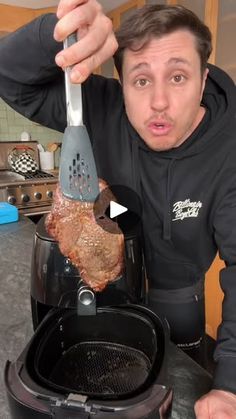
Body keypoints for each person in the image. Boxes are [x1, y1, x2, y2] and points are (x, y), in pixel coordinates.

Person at [0, 0, 236, 417]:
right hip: (112, 289)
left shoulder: (230, 150)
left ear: (202, 81)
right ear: (121, 83)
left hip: (180, 299)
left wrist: (231, 385)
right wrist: (54, 31)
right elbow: (9, 77)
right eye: (141, 80)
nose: (159, 101)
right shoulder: (100, 108)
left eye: (178, 77)